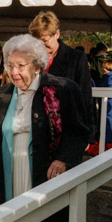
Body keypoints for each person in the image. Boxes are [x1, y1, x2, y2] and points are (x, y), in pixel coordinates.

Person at [0, 34, 90, 222]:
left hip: (41, 175)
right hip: (9, 175)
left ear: (37, 65)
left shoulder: (61, 89)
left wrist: (64, 158)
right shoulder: (1, 95)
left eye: (20, 66)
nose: (14, 71)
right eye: (10, 65)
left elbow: (79, 131)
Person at [28, 11, 94, 142]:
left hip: (66, 130)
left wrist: (88, 134)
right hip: (36, 131)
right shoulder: (30, 59)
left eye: (45, 40)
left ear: (57, 34)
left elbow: (85, 98)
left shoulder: (76, 58)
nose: (41, 45)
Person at [97, 60, 112, 144]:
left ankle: (110, 144)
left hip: (110, 106)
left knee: (110, 125)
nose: (102, 68)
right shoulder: (108, 77)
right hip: (108, 105)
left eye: (104, 66)